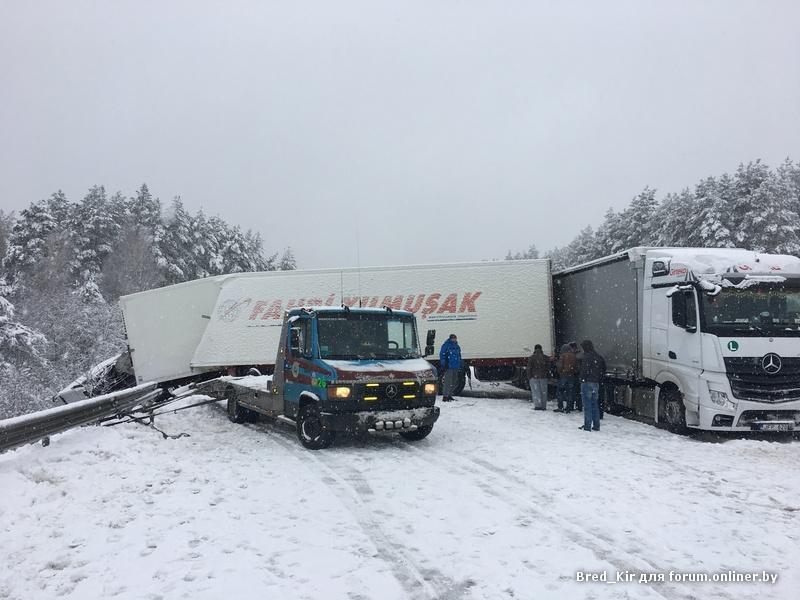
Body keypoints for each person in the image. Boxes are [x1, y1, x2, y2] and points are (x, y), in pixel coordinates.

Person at [579, 340, 606, 431]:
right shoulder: (598, 357)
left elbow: (584, 371)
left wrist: (582, 379)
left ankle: (587, 426)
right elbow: (603, 370)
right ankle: (596, 425)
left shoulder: (586, 357)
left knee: (587, 405)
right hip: (596, 383)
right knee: (595, 405)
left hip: (587, 383)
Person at [555, 344, 579, 413]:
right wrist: (573, 372)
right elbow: (577, 367)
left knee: (560, 392)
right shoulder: (574, 356)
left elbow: (559, 366)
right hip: (571, 376)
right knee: (569, 392)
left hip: (563, 375)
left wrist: (560, 372)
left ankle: (560, 407)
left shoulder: (562, 356)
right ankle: (569, 407)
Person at [439, 334, 462, 402]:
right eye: (453, 338)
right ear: (450, 338)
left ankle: (449, 395)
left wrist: (460, 364)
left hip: (456, 366)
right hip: (449, 366)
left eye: (455, 338)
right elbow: (442, 355)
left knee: (454, 382)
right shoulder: (446, 345)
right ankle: (445, 396)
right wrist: (444, 364)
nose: (454, 339)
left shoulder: (457, 346)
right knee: (448, 382)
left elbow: (459, 356)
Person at [526, 344, 550, 410]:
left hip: (534, 377)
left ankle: (538, 406)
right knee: (544, 392)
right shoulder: (545, 357)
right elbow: (548, 368)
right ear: (541, 349)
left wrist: (529, 377)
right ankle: (543, 406)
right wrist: (548, 376)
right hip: (544, 377)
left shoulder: (532, 357)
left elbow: (529, 368)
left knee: (536, 392)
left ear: (534, 349)